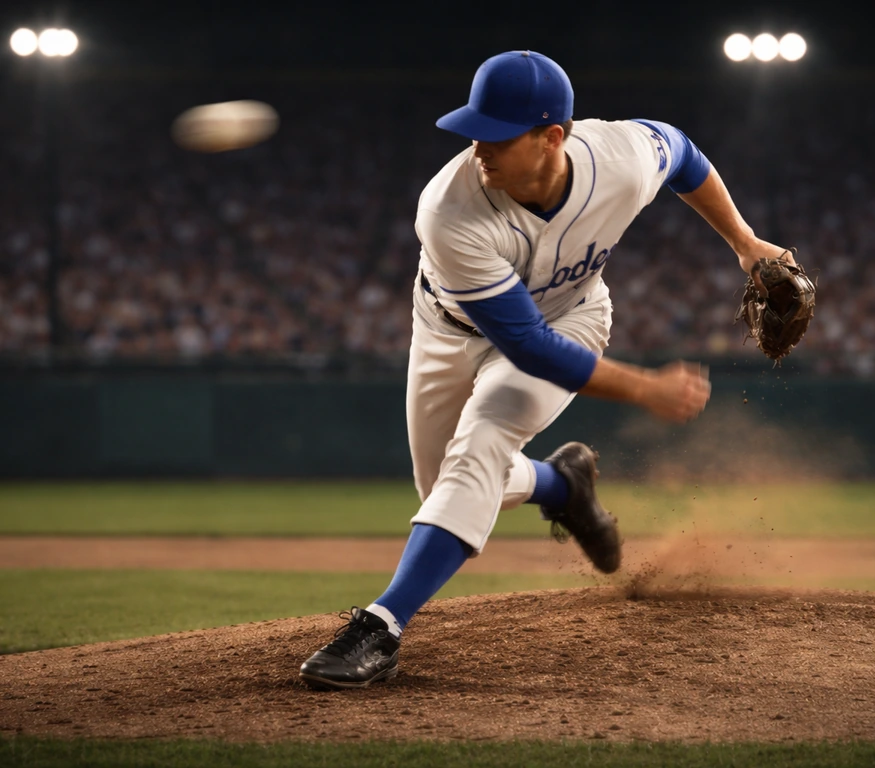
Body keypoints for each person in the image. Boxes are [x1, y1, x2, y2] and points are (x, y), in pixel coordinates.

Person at [299, 50, 794, 689]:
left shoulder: (617, 159)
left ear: (551, 137)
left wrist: (746, 243)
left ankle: (381, 627)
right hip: (452, 332)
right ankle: (562, 486)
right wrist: (643, 386)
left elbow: (682, 152)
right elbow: (526, 347)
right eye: (475, 131)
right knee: (442, 488)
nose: (480, 147)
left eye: (498, 136)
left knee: (476, 452)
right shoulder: (449, 211)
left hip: (574, 319)